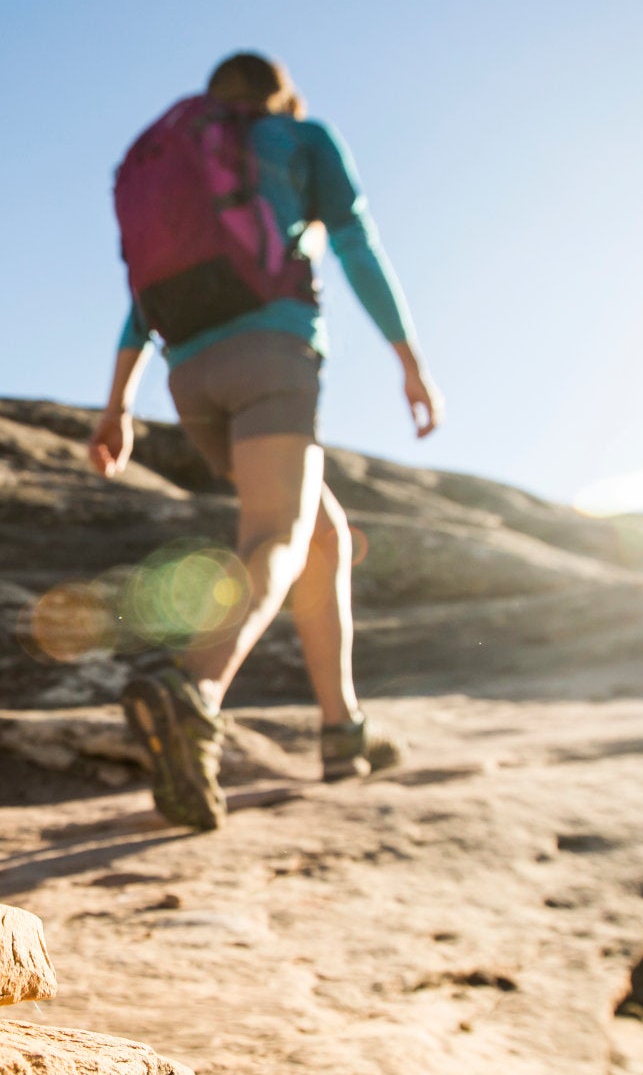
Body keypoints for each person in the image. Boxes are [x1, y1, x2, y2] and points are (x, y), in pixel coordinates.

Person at [92, 51, 442, 831]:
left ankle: (341, 732)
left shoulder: (172, 158)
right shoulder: (299, 138)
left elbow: (139, 301)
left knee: (323, 534)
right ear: (279, 98)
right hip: (270, 357)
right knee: (277, 533)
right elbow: (354, 243)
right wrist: (410, 362)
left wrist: (117, 405)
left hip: (190, 376)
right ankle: (197, 693)